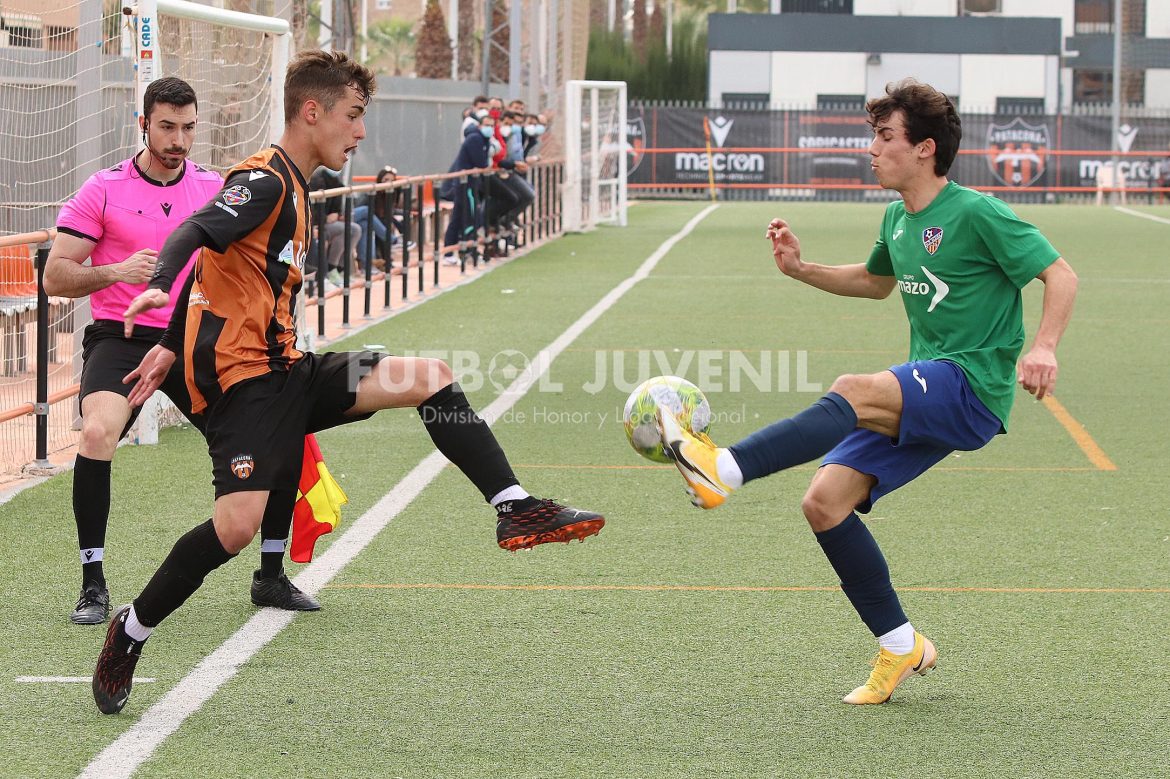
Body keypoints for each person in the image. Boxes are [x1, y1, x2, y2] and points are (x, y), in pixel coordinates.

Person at [92, 50, 605, 714]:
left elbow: (214, 254)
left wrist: (165, 343)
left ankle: (514, 506)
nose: (360, 132)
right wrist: (159, 288)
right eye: (353, 116)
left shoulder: (298, 187)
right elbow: (197, 229)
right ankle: (130, 631)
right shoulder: (268, 181)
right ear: (314, 112)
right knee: (234, 528)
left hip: (293, 371)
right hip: (244, 386)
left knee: (431, 377)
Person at [655, 78, 1078, 705]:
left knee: (854, 388)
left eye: (885, 138)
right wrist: (802, 270)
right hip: (930, 386)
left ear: (925, 149)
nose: (872, 150)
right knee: (824, 503)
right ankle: (902, 643)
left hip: (972, 385)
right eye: (873, 138)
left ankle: (725, 469)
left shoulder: (976, 212)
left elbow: (1059, 274)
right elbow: (875, 281)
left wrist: (1043, 348)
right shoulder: (897, 217)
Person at [44, 77, 317, 626]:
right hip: (123, 339)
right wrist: (117, 271)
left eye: (188, 127)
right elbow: (54, 275)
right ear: (142, 125)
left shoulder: (219, 187)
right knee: (97, 433)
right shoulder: (103, 187)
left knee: (280, 425)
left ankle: (269, 574)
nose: (179, 139)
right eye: (167, 126)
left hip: (200, 339)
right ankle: (93, 584)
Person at [441, 112, 496, 265]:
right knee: (471, 217)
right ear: (479, 125)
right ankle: (467, 250)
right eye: (487, 125)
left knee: (458, 218)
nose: (490, 128)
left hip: (467, 184)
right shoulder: (475, 139)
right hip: (466, 185)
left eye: (492, 126)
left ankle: (450, 252)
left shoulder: (483, 139)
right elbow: (481, 163)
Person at [308, 166, 361, 285]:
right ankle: (331, 269)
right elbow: (310, 209)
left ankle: (340, 270)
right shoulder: (315, 181)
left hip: (329, 223)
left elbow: (336, 209)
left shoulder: (338, 184)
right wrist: (325, 218)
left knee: (355, 229)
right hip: (316, 223)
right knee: (346, 229)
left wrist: (338, 215)